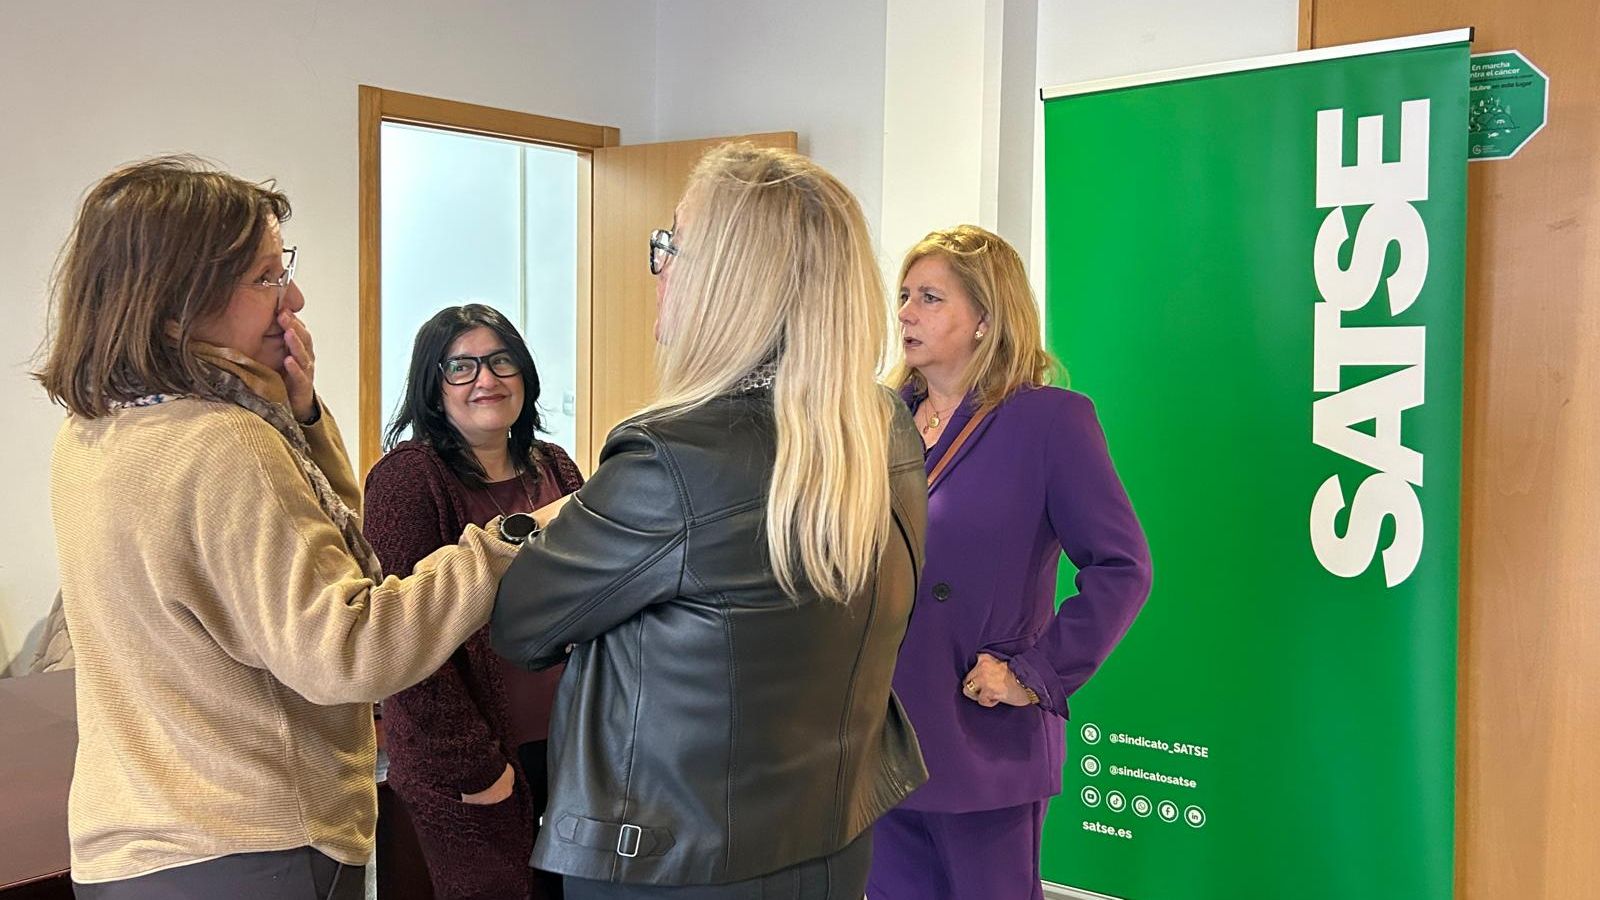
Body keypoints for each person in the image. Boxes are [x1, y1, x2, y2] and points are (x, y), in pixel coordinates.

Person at [38, 156, 520, 899]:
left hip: (134, 850)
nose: (292, 298)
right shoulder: (224, 443)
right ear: (178, 301)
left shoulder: (93, 432)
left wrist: (299, 422)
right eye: (266, 277)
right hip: (254, 846)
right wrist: (510, 540)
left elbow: (306, 565)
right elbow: (348, 647)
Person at [490, 143, 929, 899]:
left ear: (729, 280)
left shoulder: (673, 458)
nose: (657, 268)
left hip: (674, 860)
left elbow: (522, 625)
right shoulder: (881, 424)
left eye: (669, 246)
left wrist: (530, 527)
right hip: (828, 842)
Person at [866, 225, 1153, 900]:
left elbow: (1122, 567)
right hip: (875, 735)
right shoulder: (876, 420)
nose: (906, 311)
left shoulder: (1049, 422)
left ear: (985, 319)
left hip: (978, 732)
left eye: (930, 298)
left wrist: (1035, 674)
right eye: (904, 294)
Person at [364, 304, 584, 900]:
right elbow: (405, 640)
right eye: (460, 367)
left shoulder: (555, 467)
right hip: (473, 763)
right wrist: (477, 770)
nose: (485, 380)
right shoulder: (407, 481)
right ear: (433, 387)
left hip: (567, 748)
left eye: (500, 360)